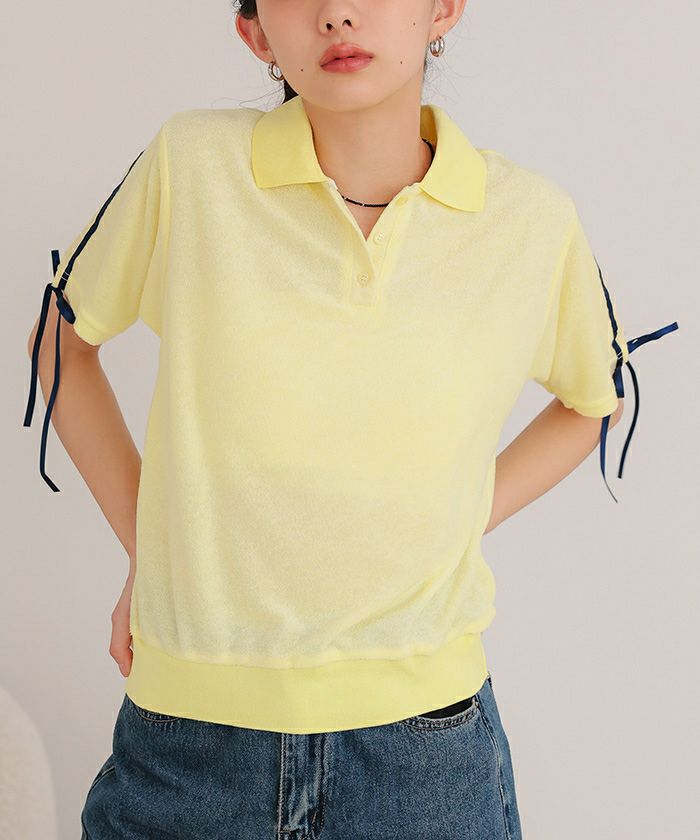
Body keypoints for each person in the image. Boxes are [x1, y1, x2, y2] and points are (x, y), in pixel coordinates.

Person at [23, 1, 679, 838]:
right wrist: (159, 548)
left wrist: (451, 515)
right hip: (189, 748)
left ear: (443, 8)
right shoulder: (191, 166)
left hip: (424, 759)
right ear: (256, 33)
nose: (336, 13)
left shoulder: (528, 219)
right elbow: (63, 344)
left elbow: (596, 398)